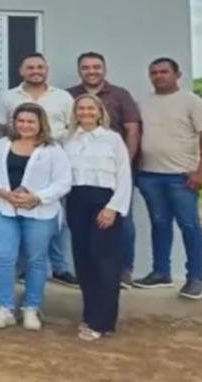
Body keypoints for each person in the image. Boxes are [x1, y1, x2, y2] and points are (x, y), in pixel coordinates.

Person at [133, 57, 202, 300]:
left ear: (177, 74)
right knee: (159, 224)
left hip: (181, 177)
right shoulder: (143, 103)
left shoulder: (192, 102)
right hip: (150, 175)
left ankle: (195, 278)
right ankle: (161, 272)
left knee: (189, 225)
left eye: (164, 72)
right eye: (154, 73)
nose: (159, 76)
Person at [0, 103, 71, 331]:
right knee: (4, 258)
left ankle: (31, 308)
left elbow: (63, 182)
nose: (25, 125)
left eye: (30, 121)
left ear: (41, 123)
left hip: (40, 213)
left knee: (36, 259)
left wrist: (37, 197)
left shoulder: (53, 149)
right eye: (20, 121)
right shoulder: (2, 145)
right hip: (4, 209)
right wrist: (2, 192)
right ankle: (4, 309)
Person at [0, 53, 77, 287]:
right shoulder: (9, 97)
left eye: (40, 67)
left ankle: (60, 268)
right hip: (19, 163)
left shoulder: (63, 97)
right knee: (20, 212)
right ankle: (24, 269)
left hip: (53, 163)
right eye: (30, 67)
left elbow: (73, 128)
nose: (35, 71)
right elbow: (3, 128)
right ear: (21, 71)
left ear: (47, 70)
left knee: (53, 217)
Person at [67, 52, 141, 287]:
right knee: (83, 240)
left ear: (104, 69)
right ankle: (88, 277)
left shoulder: (120, 95)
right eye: (86, 67)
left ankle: (122, 272)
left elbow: (132, 128)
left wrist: (123, 162)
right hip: (79, 187)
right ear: (80, 71)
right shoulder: (70, 96)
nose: (91, 71)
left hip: (109, 175)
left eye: (96, 67)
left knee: (120, 226)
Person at [63, 94, 132, 341]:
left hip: (105, 203)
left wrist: (113, 207)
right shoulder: (68, 139)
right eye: (80, 108)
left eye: (90, 108)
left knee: (105, 261)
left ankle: (103, 322)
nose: (85, 112)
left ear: (100, 111)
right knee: (84, 261)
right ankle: (90, 315)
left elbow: (124, 176)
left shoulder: (112, 139)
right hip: (76, 202)